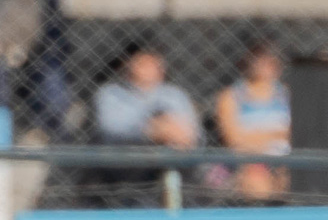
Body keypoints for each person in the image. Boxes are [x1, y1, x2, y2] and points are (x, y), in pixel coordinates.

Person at [212, 40, 291, 201]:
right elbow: (234, 139)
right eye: (259, 61)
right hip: (247, 161)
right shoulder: (231, 96)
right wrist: (275, 135)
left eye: (270, 62)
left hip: (285, 160)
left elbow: (297, 134)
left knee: (290, 179)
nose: (264, 66)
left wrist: (254, 135)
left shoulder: (288, 95)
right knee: (257, 183)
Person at [93, 41, 199, 149]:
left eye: (154, 63)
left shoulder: (174, 94)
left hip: (172, 154)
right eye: (144, 64)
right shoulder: (111, 93)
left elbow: (193, 132)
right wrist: (150, 130)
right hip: (126, 155)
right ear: (130, 66)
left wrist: (172, 131)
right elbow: (110, 128)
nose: (150, 68)